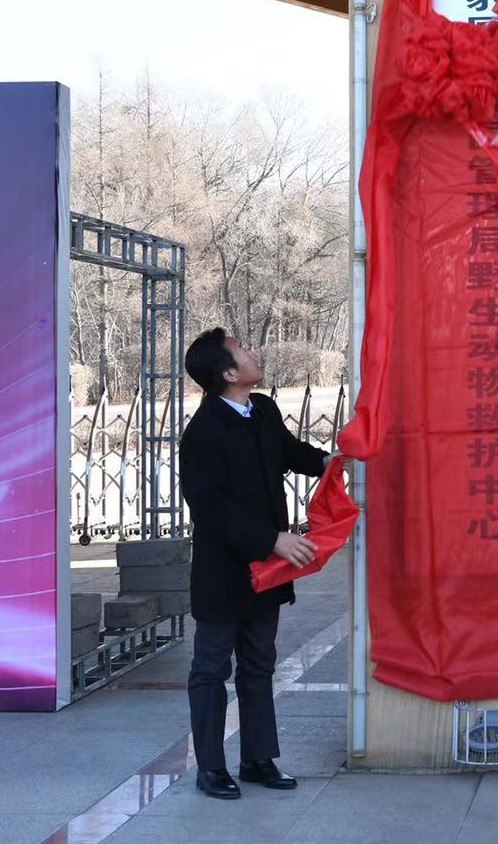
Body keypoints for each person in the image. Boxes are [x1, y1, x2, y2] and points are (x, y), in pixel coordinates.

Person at [180, 328, 337, 800]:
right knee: (211, 668)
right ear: (228, 373)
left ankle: (257, 758)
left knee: (259, 664)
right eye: (243, 351)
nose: (254, 353)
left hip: (267, 570)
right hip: (224, 573)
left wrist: (332, 461)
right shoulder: (203, 432)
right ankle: (210, 766)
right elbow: (210, 506)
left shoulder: (262, 409)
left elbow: (287, 453)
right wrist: (272, 539)